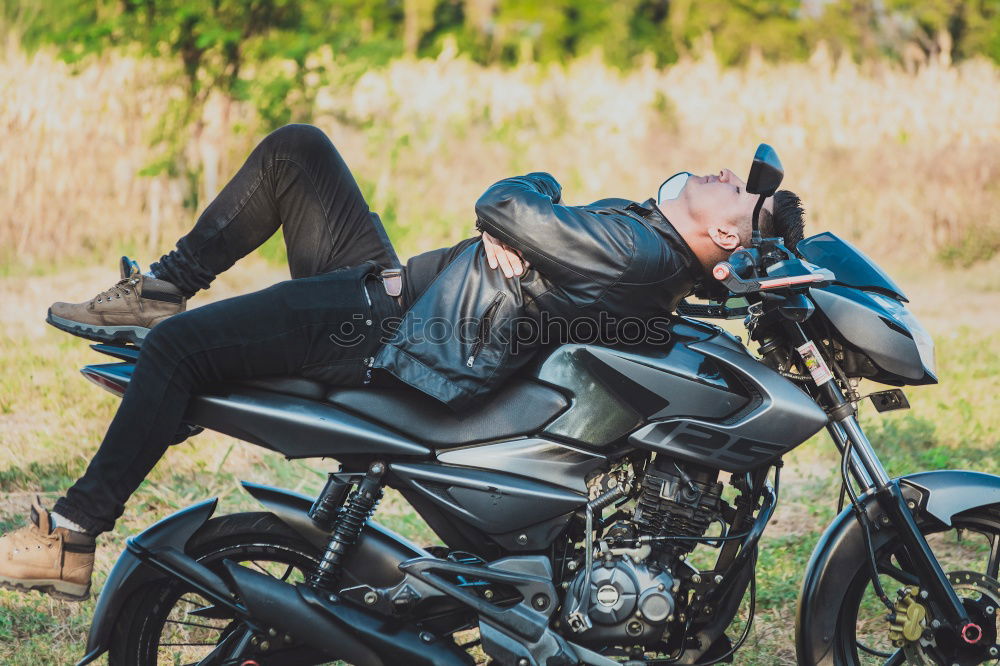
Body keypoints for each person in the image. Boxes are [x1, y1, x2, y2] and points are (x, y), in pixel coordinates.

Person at [0, 124, 805, 600]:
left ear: (729, 238)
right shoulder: (648, 250)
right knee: (298, 153)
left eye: (744, 195)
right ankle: (162, 288)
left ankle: (71, 536)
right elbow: (526, 229)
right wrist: (527, 229)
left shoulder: (637, 248)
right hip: (396, 296)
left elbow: (503, 203)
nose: (731, 175)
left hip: (381, 325)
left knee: (178, 349)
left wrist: (532, 206)